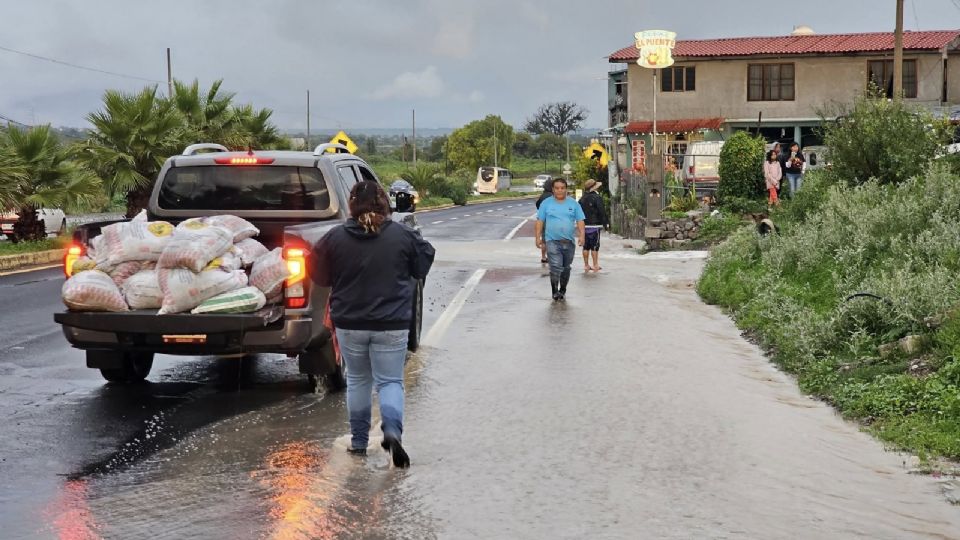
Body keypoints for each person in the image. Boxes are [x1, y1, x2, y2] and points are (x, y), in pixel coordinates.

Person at [309, 180, 435, 468]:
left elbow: (319, 275)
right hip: (391, 323)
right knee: (390, 380)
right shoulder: (403, 235)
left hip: (350, 322)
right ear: (383, 203)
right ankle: (391, 431)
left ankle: (358, 441)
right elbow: (423, 262)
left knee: (358, 380)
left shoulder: (335, 238)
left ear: (352, 205)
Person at [535, 178, 585, 301]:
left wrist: (582, 235)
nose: (559, 191)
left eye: (562, 188)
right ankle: (554, 291)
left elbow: (580, 220)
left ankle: (562, 289)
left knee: (566, 268)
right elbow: (540, 221)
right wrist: (538, 237)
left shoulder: (573, 204)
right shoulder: (546, 203)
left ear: (566, 189)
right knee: (555, 266)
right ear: (553, 189)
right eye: (557, 188)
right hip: (552, 241)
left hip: (569, 242)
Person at [578, 179, 609, 272]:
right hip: (595, 226)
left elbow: (578, 213)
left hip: (584, 226)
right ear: (594, 187)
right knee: (595, 246)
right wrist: (606, 224)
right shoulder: (597, 197)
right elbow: (601, 212)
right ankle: (595, 265)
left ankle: (586, 265)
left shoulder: (581, 199)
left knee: (585, 246)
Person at [534, 178, 556, 263]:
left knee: (544, 239)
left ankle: (543, 257)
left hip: (542, 219)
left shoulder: (542, 196)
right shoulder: (553, 196)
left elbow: (537, 205)